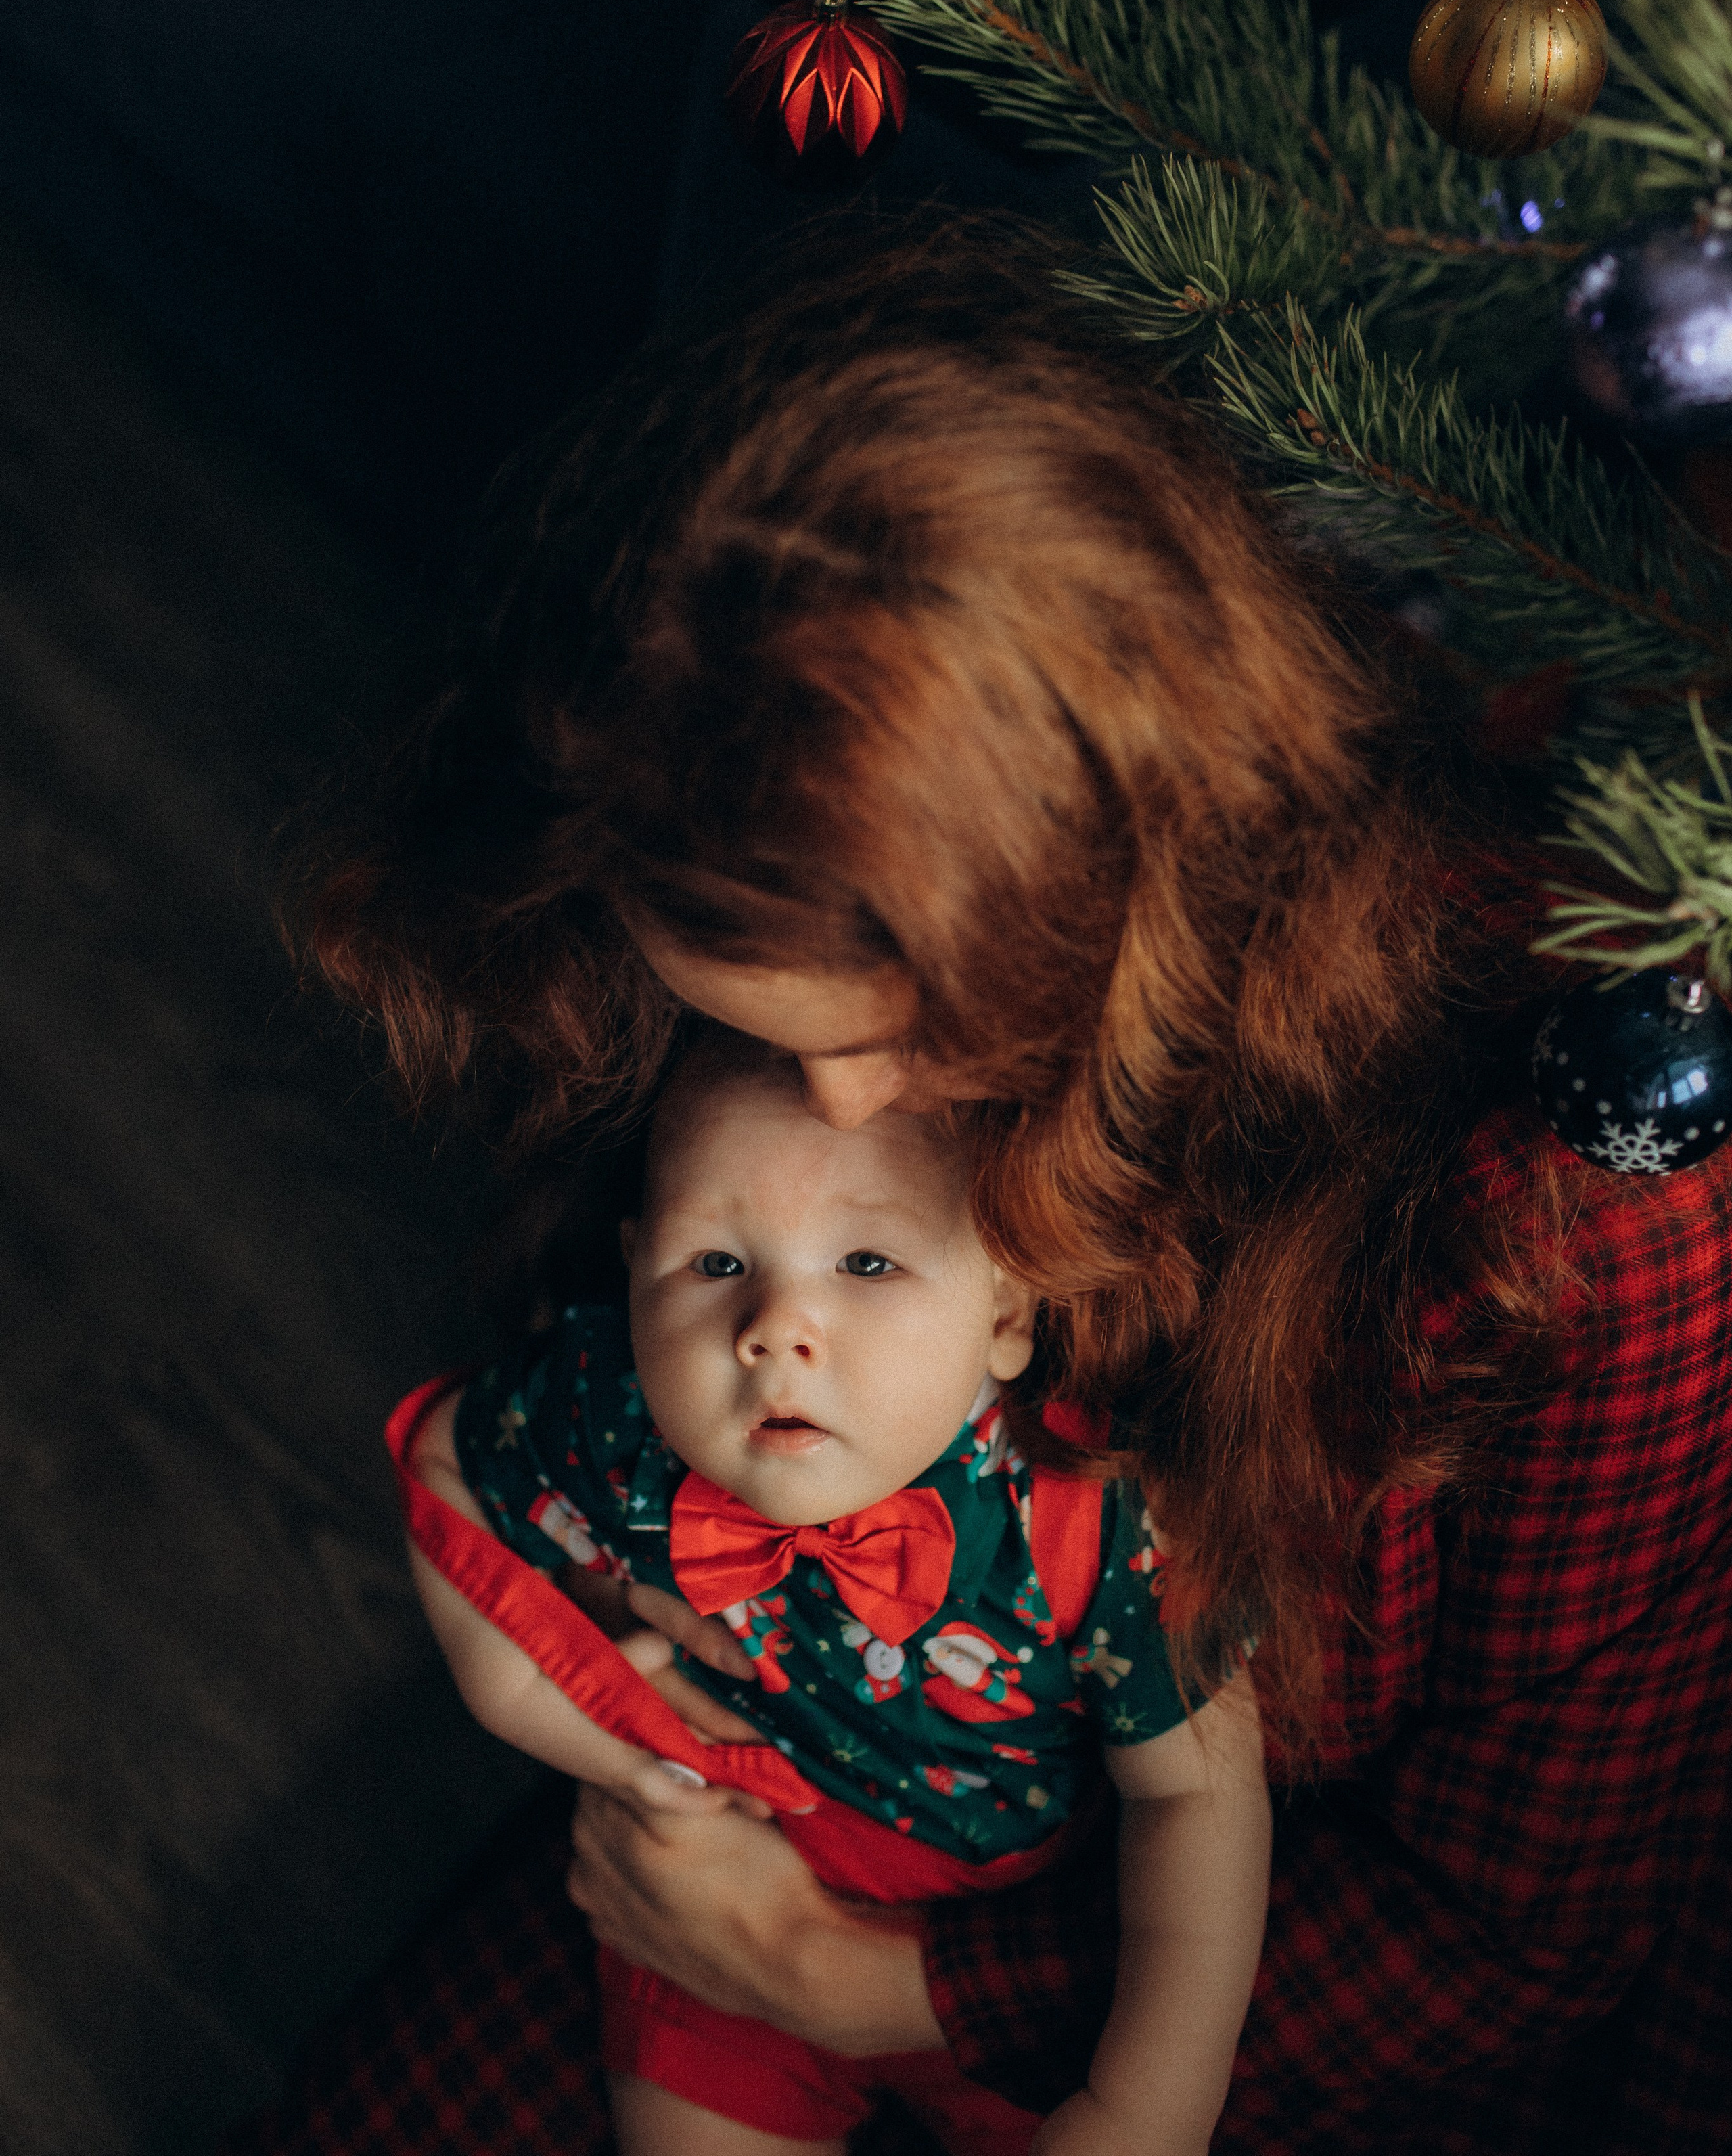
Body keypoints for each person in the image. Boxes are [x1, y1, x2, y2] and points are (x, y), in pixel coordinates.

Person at [278, 218, 1732, 2156]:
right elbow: (545, 1429)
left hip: (1260, 1979)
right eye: (764, 1041)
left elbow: (1515, 1935)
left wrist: (874, 1988)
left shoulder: (1581, 1190)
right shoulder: (719, 857)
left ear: (1115, 910)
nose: (846, 1104)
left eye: (903, 1030)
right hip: (789, 1805)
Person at [400, 1036, 1269, 2154]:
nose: (771, 1329)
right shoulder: (612, 1405)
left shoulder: (1092, 1510)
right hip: (713, 1898)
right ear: (634, 1275)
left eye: (865, 1264)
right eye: (715, 1263)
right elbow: (441, 1462)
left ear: (1007, 1314)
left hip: (996, 1964)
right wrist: (550, 1707)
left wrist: (1147, 2107)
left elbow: (1198, 1802)